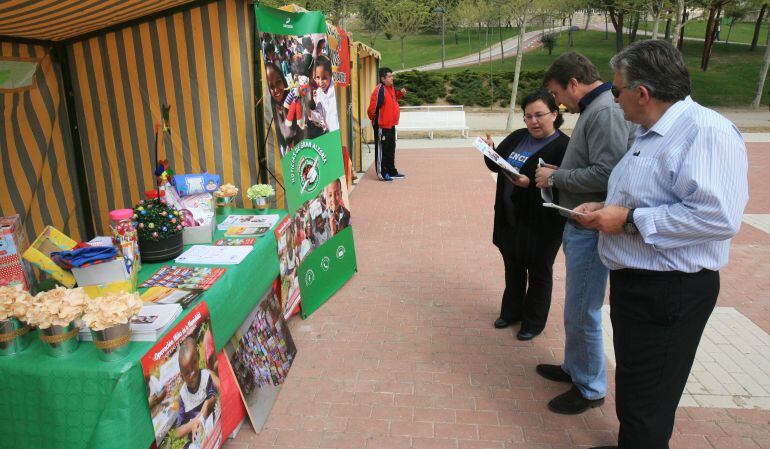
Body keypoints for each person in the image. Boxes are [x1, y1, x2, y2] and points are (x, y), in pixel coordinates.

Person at [572, 39, 748, 449]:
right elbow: (649, 195)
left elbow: (718, 217)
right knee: (636, 388)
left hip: (670, 289)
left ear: (642, 93)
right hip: (638, 283)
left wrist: (629, 220)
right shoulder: (648, 132)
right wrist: (606, 208)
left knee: (649, 401)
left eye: (616, 90)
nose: (613, 98)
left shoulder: (706, 132)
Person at [533, 52, 634, 415]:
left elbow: (608, 173)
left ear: (573, 83)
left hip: (591, 228)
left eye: (557, 93)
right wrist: (563, 170)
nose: (558, 102)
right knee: (575, 306)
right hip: (580, 223)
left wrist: (557, 177)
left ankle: (590, 387)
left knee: (582, 310)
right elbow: (596, 164)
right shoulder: (598, 109)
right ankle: (575, 367)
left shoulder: (604, 111)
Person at [482, 90, 570, 341]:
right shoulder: (519, 137)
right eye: (528, 116)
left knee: (539, 272)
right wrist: (490, 151)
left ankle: (533, 321)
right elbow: (496, 165)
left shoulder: (565, 147)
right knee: (513, 267)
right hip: (510, 218)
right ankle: (511, 312)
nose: (533, 121)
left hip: (542, 224)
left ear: (554, 114)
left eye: (539, 115)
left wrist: (529, 185)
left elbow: (567, 188)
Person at [367, 67, 407, 182]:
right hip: (382, 126)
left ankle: (391, 171)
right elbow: (371, 110)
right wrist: (377, 122)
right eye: (389, 76)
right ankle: (382, 173)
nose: (392, 78)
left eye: (392, 76)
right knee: (382, 150)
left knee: (390, 149)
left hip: (391, 125)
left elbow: (392, 99)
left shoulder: (390, 88)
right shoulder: (379, 90)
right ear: (383, 79)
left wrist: (400, 94)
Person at [176, 337, 218, 442]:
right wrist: (193, 423)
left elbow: (213, 398)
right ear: (182, 377)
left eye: (194, 363)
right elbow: (179, 432)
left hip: (211, 426)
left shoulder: (205, 377)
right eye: (187, 373)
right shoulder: (183, 396)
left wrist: (206, 405)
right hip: (197, 440)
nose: (192, 373)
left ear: (198, 357)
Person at [311, 56, 339, 132]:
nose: (320, 82)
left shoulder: (336, 88)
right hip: (332, 133)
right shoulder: (318, 93)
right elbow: (319, 115)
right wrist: (308, 111)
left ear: (330, 75)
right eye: (317, 77)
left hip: (342, 131)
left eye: (324, 78)